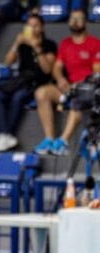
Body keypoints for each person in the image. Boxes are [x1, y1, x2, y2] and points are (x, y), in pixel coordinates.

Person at [32, 9, 100, 156]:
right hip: (68, 87)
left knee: (79, 97)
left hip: (87, 90)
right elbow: (56, 68)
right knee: (42, 92)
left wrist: (79, 85)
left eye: (79, 18)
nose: (75, 21)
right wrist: (61, 79)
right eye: (72, 18)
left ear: (85, 22)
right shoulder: (65, 44)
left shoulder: (94, 44)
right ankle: (49, 139)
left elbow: (96, 73)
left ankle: (62, 142)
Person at [0, 14, 56, 153]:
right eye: (29, 25)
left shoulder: (49, 45)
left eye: (35, 25)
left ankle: (7, 135)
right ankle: (4, 134)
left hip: (38, 82)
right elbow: (7, 62)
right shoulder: (23, 45)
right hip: (21, 80)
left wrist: (37, 48)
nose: (32, 28)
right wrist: (16, 44)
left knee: (18, 97)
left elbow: (47, 69)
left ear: (42, 27)